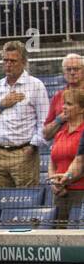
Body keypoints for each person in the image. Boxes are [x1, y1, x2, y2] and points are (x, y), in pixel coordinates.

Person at [0, 41, 50, 188]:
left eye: (13, 61)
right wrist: (1, 105)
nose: (8, 64)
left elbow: (44, 121)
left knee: (26, 203)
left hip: (24, 154)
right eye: (5, 60)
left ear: (23, 62)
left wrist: (32, 147)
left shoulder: (35, 86)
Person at [47, 89, 84, 222]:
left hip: (80, 192)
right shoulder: (60, 133)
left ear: (81, 109)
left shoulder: (83, 132)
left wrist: (66, 180)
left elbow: (81, 163)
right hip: (59, 193)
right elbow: (51, 161)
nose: (64, 107)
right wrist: (53, 182)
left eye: (69, 104)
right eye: (64, 103)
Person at [43, 53, 84, 142]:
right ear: (64, 73)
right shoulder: (58, 97)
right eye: (68, 69)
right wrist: (60, 119)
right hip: (63, 149)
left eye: (76, 69)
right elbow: (46, 134)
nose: (72, 72)